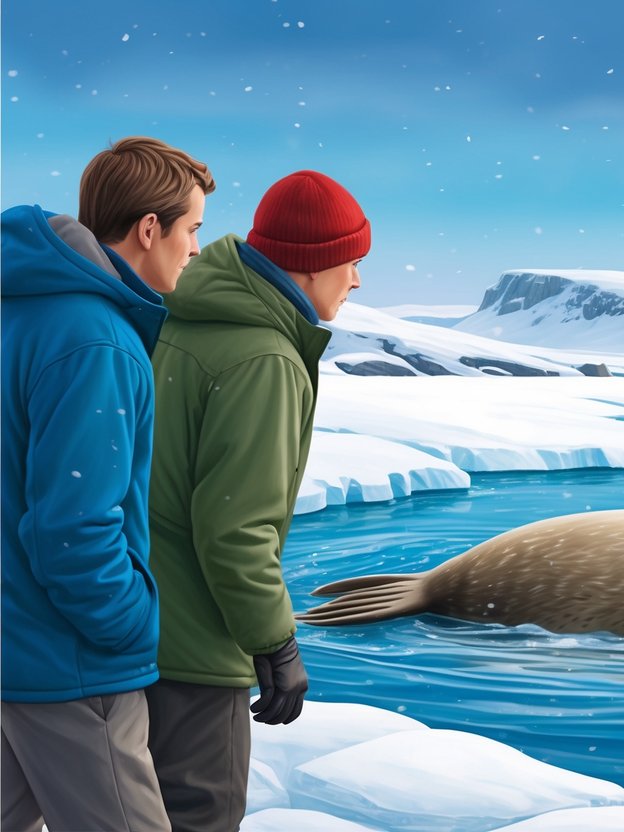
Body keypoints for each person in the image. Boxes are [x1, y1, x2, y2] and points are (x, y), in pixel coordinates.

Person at [146, 169, 370, 830]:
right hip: (194, 640)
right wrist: (275, 642)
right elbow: (235, 527)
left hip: (140, 621)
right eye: (352, 263)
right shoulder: (261, 358)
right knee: (199, 811)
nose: (355, 281)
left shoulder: (186, 321)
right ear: (313, 264)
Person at [1, 136, 214, 832]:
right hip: (69, 662)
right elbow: (74, 526)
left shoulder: (19, 315)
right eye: (191, 230)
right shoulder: (96, 340)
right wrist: (125, 629)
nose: (194, 250)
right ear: (149, 230)